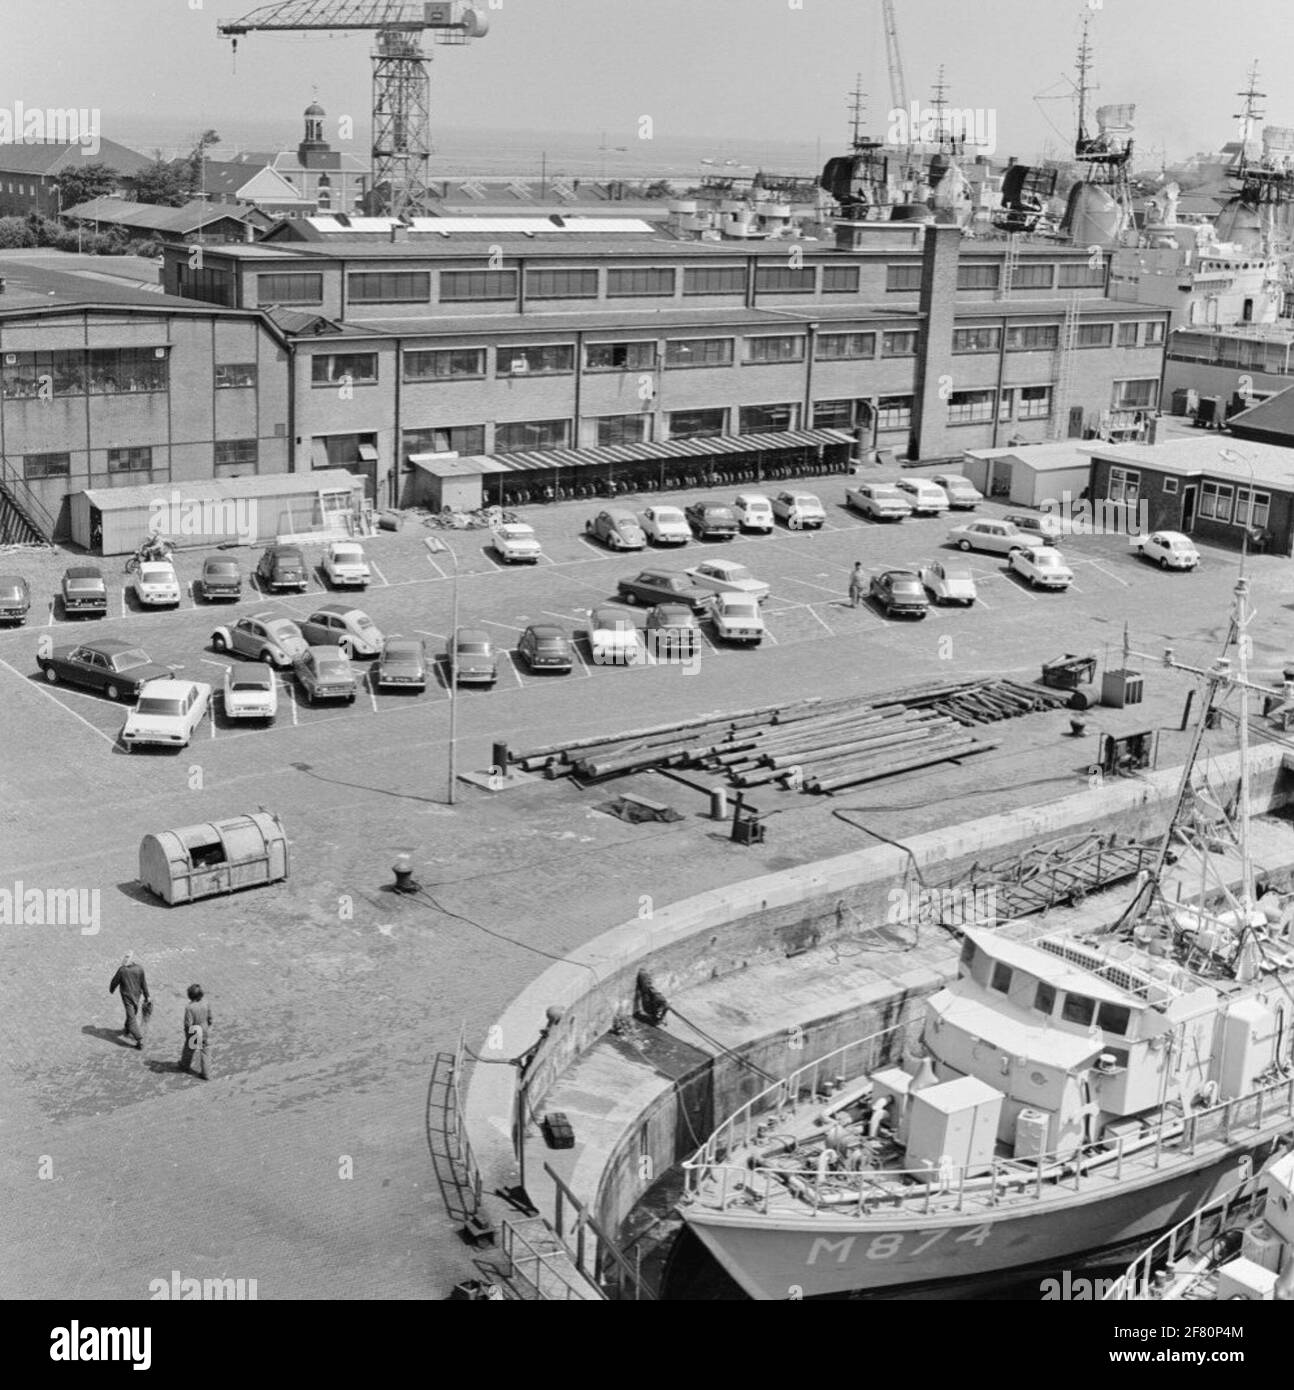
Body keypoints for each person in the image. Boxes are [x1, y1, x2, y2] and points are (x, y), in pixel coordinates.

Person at [108, 952, 150, 1050]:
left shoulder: (122, 970)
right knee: (132, 1012)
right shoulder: (140, 969)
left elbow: (114, 981)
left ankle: (139, 1039)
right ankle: (127, 1028)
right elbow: (144, 983)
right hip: (137, 995)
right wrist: (147, 996)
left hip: (127, 997)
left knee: (131, 1018)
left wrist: (112, 989)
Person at [180, 984, 213, 1080]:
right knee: (205, 1052)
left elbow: (188, 1023)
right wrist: (208, 1025)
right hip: (205, 1029)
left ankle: (184, 1066)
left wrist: (187, 1034)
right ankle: (206, 1074)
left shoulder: (189, 1007)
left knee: (189, 1049)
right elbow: (210, 1018)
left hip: (195, 1030)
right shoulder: (206, 1003)